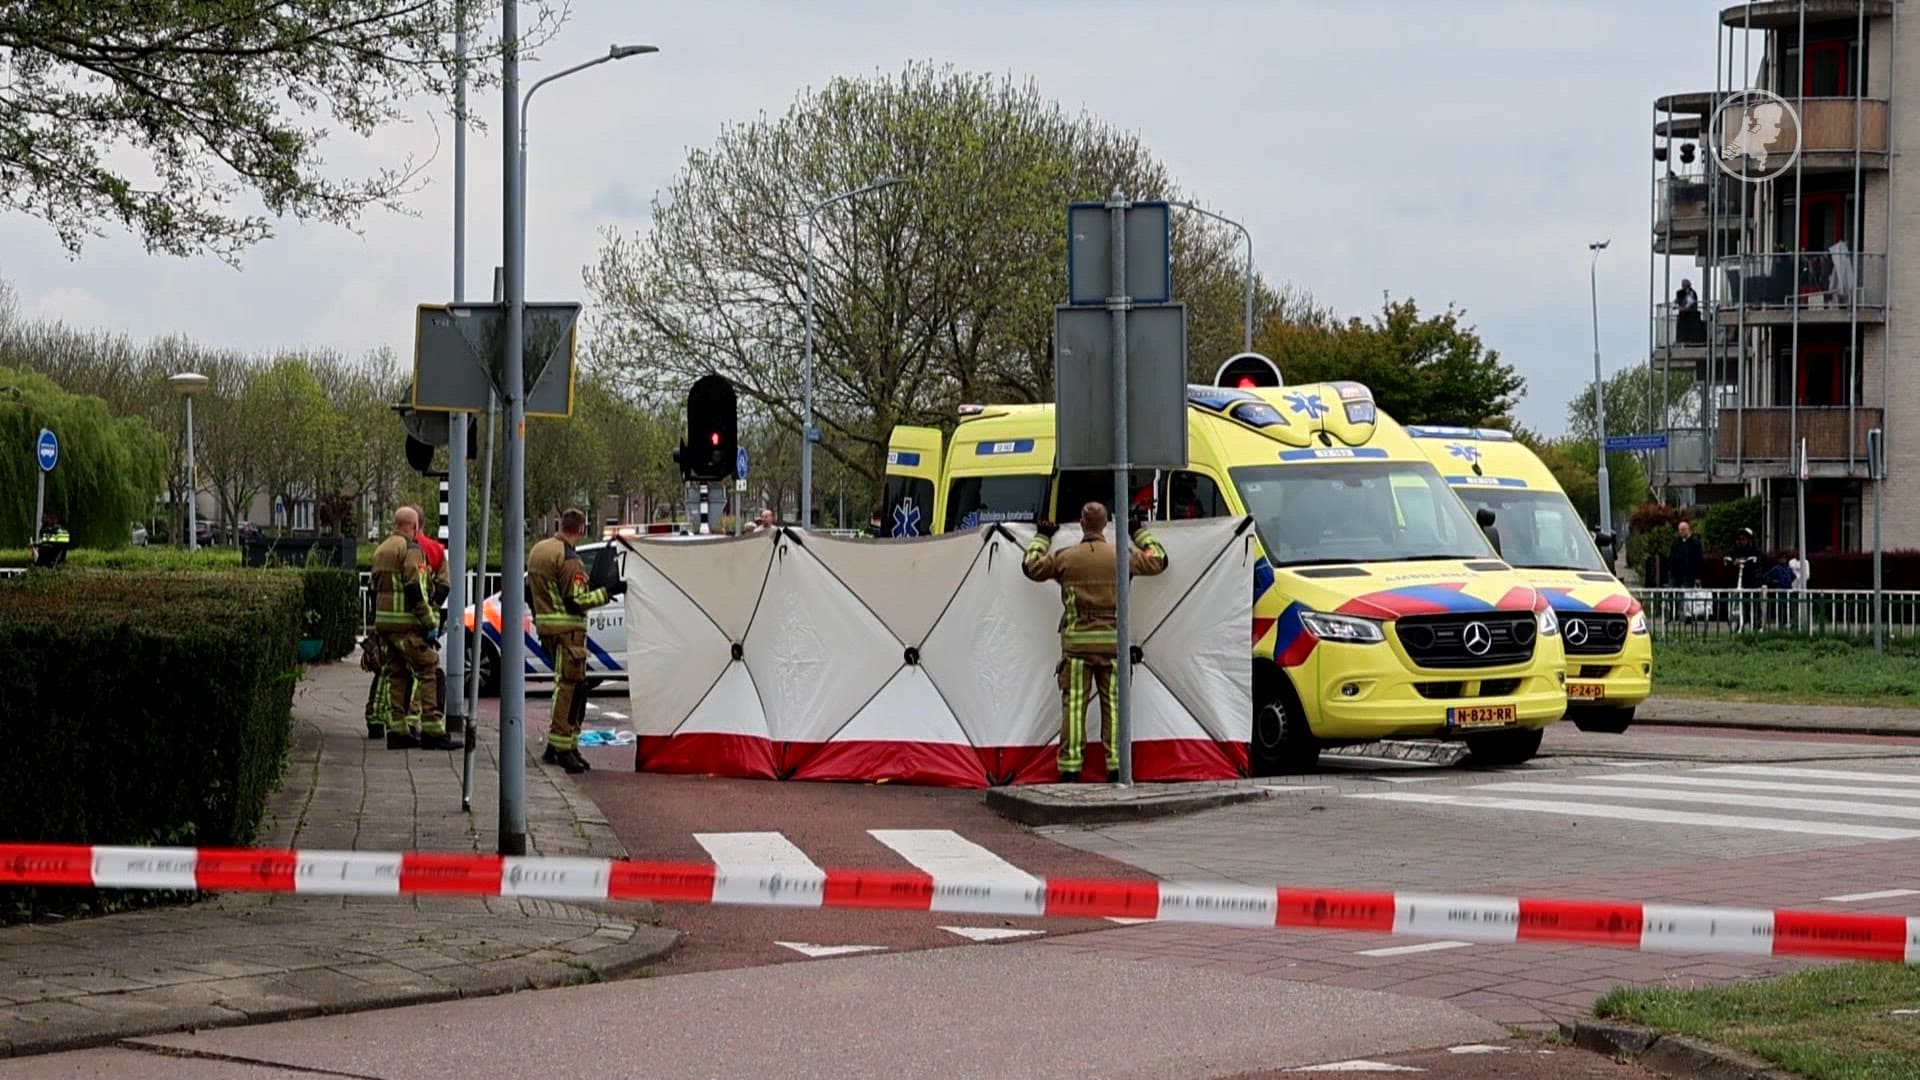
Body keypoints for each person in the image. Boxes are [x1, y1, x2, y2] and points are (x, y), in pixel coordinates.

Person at [1021, 502, 1168, 783]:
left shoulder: (1066, 558)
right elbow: (1159, 559)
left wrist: (1042, 536)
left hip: (1076, 648)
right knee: (1113, 705)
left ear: (1081, 523)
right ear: (1104, 526)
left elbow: (1030, 566)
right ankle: (1116, 766)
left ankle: (1070, 768)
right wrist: (1139, 532)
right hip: (1113, 646)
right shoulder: (1121, 557)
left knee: (1074, 706)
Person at [528, 508, 625, 774]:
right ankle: (563, 748)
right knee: (571, 689)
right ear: (581, 530)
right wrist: (608, 593)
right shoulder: (570, 559)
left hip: (547, 628)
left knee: (567, 686)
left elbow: (531, 592)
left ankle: (557, 745)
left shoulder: (539, 550)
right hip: (569, 632)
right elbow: (576, 600)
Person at [369, 507, 451, 750]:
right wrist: (429, 622)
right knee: (429, 667)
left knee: (397, 673)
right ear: (415, 527)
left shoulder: (382, 548)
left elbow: (375, 588)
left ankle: (397, 730)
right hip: (406, 625)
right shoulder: (412, 549)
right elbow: (414, 587)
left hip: (386, 625)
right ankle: (433, 730)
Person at [1667, 520, 1704, 587]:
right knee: (1672, 592)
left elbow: (1699, 560)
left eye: (1683, 530)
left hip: (1689, 575)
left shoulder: (1695, 543)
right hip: (1675, 574)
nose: (1681, 532)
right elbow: (1672, 557)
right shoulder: (1676, 543)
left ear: (1688, 530)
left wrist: (1698, 576)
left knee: (1686, 593)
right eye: (1679, 530)